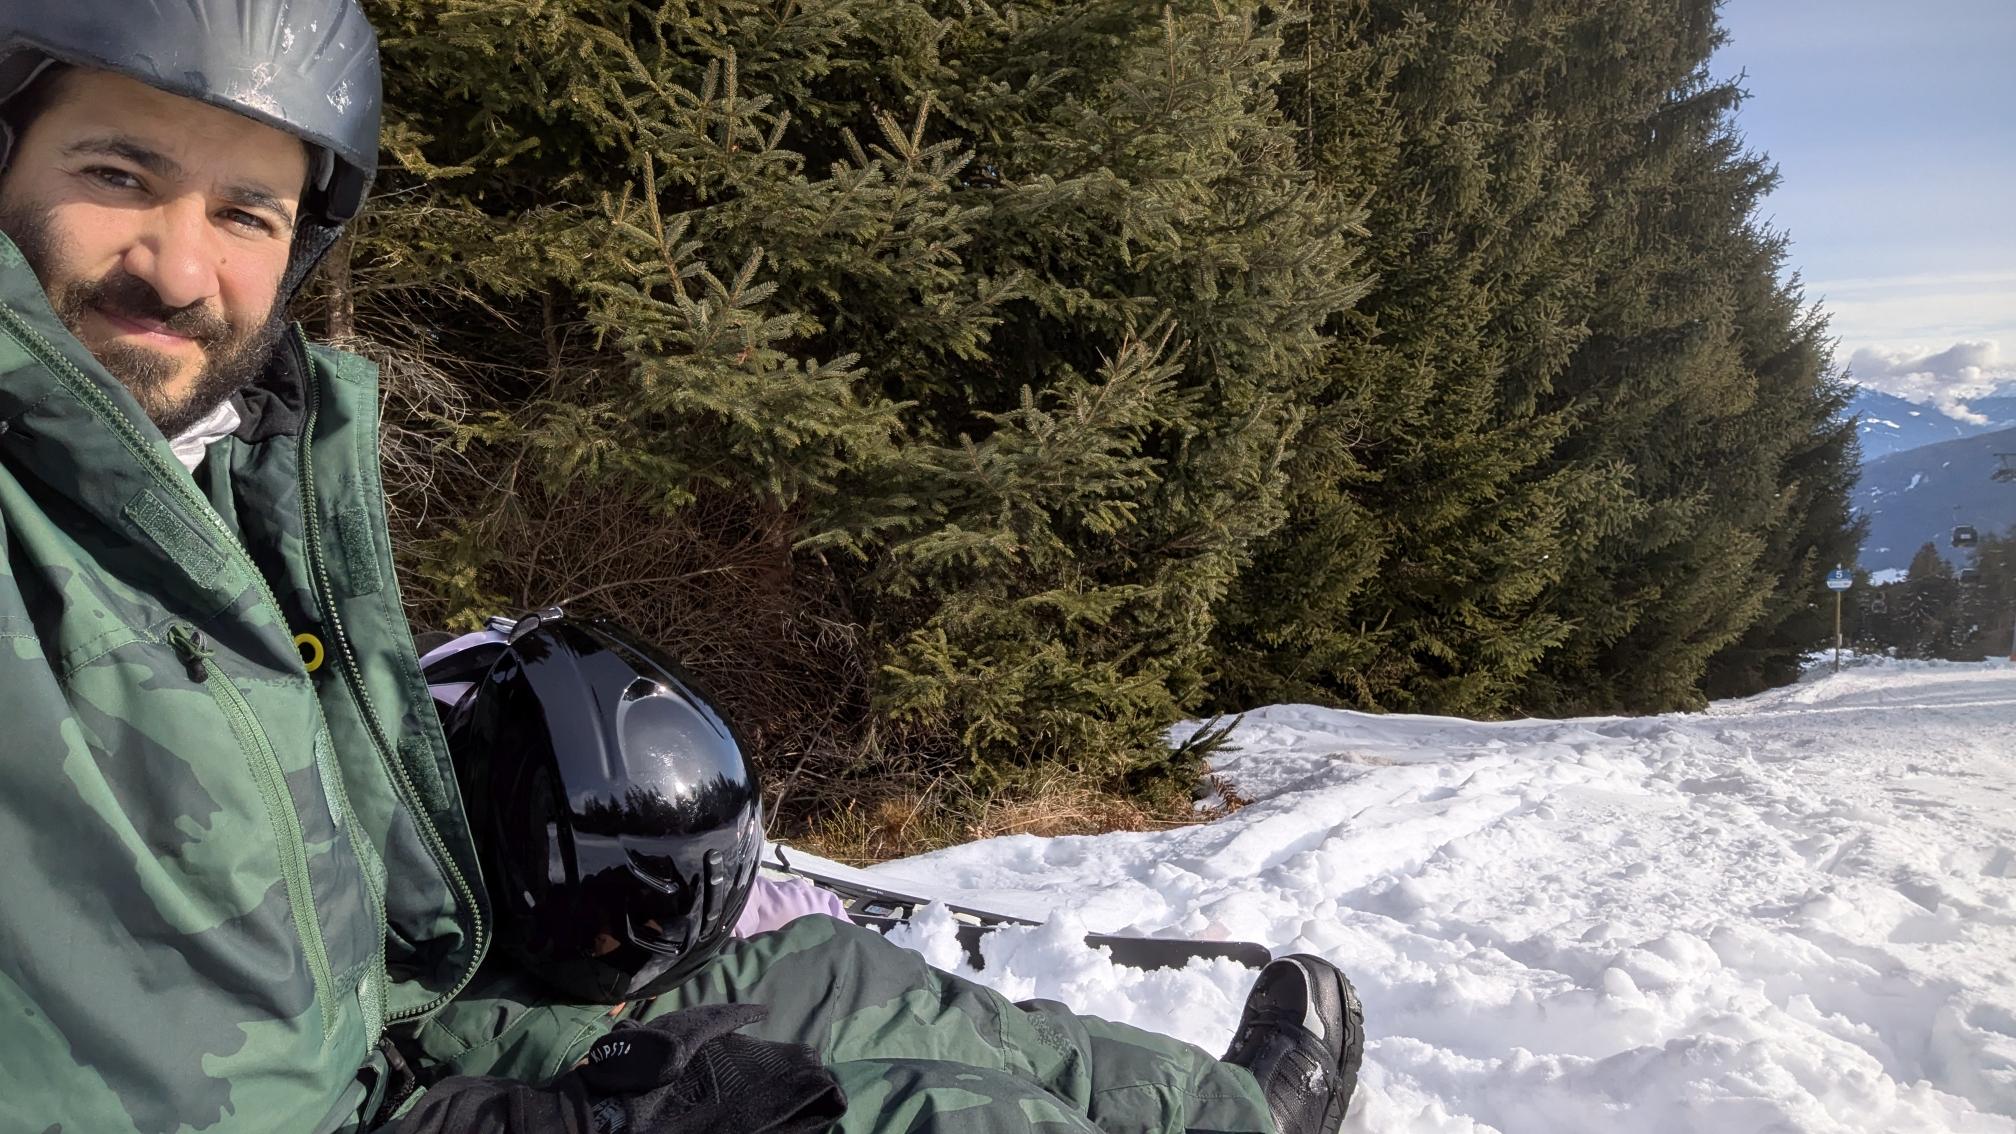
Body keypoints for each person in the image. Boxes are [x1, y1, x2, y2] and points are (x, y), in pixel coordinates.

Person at [0, 1, 1362, 1130]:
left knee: (826, 976)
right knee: (928, 1117)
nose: (181, 267)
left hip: (392, 1014)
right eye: (117, 174)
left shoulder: (221, 469)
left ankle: (1228, 1116)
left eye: (247, 212)